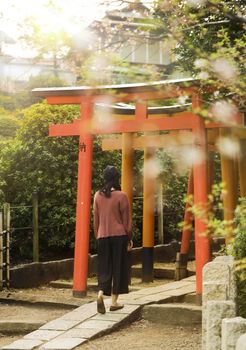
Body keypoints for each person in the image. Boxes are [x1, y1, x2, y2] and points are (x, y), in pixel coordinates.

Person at [93, 165, 133, 314]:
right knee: (118, 268)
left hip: (102, 236)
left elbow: (95, 220)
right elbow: (127, 221)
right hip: (119, 237)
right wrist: (129, 239)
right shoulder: (122, 196)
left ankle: (100, 294)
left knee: (104, 267)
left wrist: (98, 235)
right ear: (117, 178)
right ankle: (114, 302)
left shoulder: (97, 195)